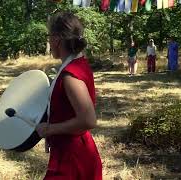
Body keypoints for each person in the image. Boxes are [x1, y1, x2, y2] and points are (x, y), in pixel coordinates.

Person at [35, 12, 102, 179]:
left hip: (72, 158)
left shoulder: (70, 75)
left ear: (57, 39)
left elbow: (88, 120)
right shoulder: (76, 64)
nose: (49, 41)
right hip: (73, 152)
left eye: (49, 36)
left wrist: (50, 129)